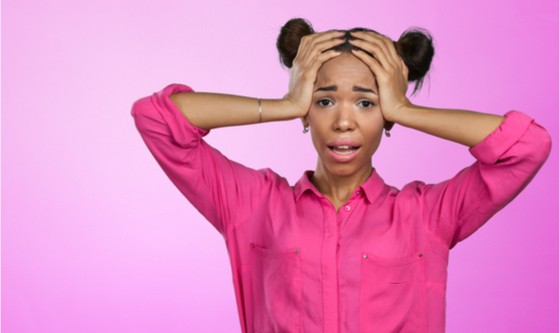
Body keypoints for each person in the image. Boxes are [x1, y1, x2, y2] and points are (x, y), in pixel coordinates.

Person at [131, 18, 551, 333]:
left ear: (385, 117)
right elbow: (156, 117)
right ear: (307, 113)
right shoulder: (252, 204)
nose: (344, 122)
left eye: (367, 104)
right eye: (325, 100)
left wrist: (404, 110)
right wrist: (285, 103)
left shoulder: (426, 215)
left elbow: (527, 146)